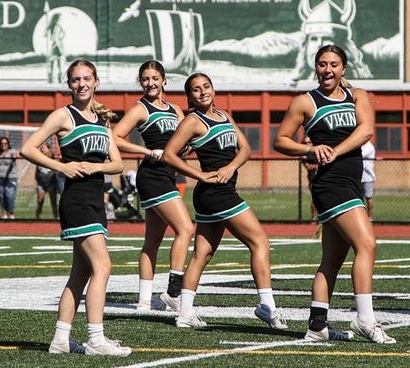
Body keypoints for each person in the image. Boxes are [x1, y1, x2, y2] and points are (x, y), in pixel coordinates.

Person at [274, 44, 394, 343]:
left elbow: (366, 130)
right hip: (330, 184)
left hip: (350, 180)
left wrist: (335, 151)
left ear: (344, 68)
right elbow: (280, 141)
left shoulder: (358, 96)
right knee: (367, 244)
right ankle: (365, 320)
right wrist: (309, 149)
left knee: (332, 259)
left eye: (334, 64)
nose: (328, 70)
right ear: (316, 67)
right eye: (323, 64)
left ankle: (317, 326)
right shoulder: (305, 101)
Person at [20, 59, 130, 356]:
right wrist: (62, 167)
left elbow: (118, 163)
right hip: (77, 200)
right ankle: (96, 339)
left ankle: (60, 338)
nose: (81, 84)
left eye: (86, 78)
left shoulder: (101, 119)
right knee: (103, 266)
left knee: (80, 274)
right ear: (69, 84)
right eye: (75, 79)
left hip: (95, 199)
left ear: (96, 82)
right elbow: (27, 148)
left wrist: (93, 167)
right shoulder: (62, 115)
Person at [161, 72, 286, 330]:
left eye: (206, 86)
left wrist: (230, 167)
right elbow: (169, 155)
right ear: (190, 96)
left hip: (219, 190)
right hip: (217, 193)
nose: (203, 92)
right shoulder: (193, 121)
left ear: (213, 89)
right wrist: (199, 174)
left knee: (202, 255)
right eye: (196, 89)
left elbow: (246, 149)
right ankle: (267, 306)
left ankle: (184, 313)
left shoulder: (224, 115)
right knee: (260, 241)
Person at [112, 60, 194, 312]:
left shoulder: (175, 109)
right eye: (145, 79)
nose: (150, 83)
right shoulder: (140, 108)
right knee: (185, 229)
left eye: (155, 78)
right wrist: (146, 151)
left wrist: (186, 148)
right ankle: (173, 291)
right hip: (153, 177)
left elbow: (186, 137)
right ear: (141, 82)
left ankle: (145, 301)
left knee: (153, 241)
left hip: (168, 175)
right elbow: (114, 137)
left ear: (164, 80)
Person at [0, 136, 19, 219]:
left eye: (5, 143)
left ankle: (11, 212)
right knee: (2, 196)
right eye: (1, 143)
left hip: (11, 178)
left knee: (10, 195)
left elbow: (16, 154)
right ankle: (4, 212)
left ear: (8, 144)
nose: (3, 145)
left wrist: (15, 156)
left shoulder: (11, 151)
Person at [35, 141, 63, 220]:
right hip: (41, 184)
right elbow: (36, 173)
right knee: (40, 200)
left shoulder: (53, 158)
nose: (42, 150)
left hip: (51, 183)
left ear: (48, 149)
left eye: (43, 149)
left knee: (53, 202)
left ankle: (56, 217)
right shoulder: (39, 160)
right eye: (41, 149)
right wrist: (36, 182)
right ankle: (37, 216)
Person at [361, 140, 376, 221]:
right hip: (359, 176)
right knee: (359, 198)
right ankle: (362, 217)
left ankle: (369, 217)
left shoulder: (369, 147)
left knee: (368, 197)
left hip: (368, 177)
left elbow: (360, 155)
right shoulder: (361, 146)